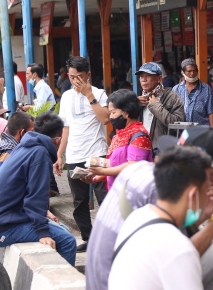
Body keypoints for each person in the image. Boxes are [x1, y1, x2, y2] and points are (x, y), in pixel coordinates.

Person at [86, 126, 213, 290]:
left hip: (102, 279)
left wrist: (203, 214)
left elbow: (167, 231)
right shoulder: (158, 191)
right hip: (105, 283)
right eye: (212, 175)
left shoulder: (141, 175)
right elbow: (178, 253)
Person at [0, 112, 77, 265]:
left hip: (10, 216)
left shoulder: (24, 146)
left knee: (63, 229)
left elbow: (28, 191)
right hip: (6, 226)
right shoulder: (40, 154)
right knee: (68, 241)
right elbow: (36, 196)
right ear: (59, 140)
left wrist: (45, 213)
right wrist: (42, 232)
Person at [55, 56, 110, 253]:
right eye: (71, 77)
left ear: (88, 75)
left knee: (104, 198)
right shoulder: (67, 97)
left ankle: (108, 239)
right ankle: (89, 238)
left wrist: (89, 96)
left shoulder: (99, 94)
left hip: (97, 153)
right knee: (79, 202)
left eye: (79, 76)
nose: (75, 81)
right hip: (74, 155)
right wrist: (60, 155)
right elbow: (66, 128)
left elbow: (105, 119)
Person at [85, 89, 152, 189]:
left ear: (126, 113)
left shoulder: (139, 135)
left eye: (113, 112)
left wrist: (103, 171)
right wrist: (96, 177)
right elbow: (116, 164)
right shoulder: (120, 134)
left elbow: (133, 166)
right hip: (117, 193)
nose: (110, 117)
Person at [136, 62, 185, 151]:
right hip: (142, 148)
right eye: (141, 76)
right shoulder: (140, 99)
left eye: (148, 76)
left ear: (159, 78)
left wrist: (157, 107)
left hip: (163, 150)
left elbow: (179, 124)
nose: (143, 79)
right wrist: (134, 107)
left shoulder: (172, 97)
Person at [173, 58, 213, 126]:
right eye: (189, 71)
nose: (192, 73)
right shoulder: (176, 89)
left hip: (201, 131)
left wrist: (211, 130)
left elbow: (211, 111)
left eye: (195, 71)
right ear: (182, 72)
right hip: (181, 131)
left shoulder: (206, 89)